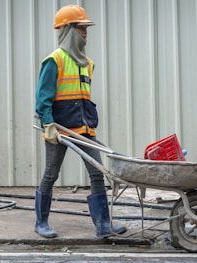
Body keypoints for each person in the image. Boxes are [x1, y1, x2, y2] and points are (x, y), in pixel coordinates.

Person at [34, 5, 126, 239]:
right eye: (81, 28)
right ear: (68, 30)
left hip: (83, 128)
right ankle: (41, 222)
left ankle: (103, 226)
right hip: (59, 129)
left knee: (97, 173)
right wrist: (48, 124)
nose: (86, 33)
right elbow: (42, 98)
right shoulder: (54, 61)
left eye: (86, 28)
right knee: (50, 174)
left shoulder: (87, 63)